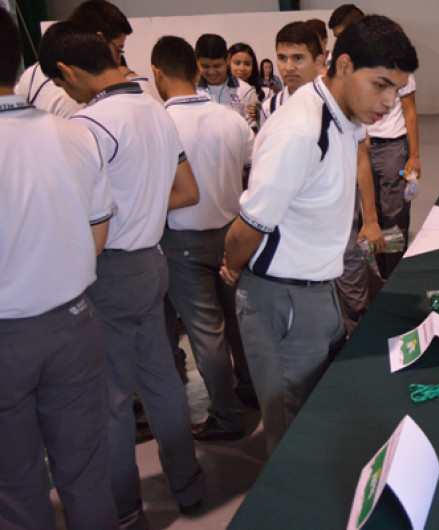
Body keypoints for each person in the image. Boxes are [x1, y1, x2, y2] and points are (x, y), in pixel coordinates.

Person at [220, 15, 418, 454]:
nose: (390, 102)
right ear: (343, 66)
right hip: (283, 296)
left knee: (316, 412)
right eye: (381, 85)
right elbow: (247, 228)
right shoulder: (299, 130)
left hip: (319, 286)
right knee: (292, 430)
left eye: (397, 90)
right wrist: (232, 268)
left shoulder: (344, 113)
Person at [39, 21, 204, 527]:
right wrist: (142, 210)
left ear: (67, 71)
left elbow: (79, 213)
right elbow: (185, 189)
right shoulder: (155, 109)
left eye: (59, 83)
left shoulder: (90, 126)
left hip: (109, 270)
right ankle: (189, 487)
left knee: (109, 398)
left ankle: (126, 509)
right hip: (152, 260)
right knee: (161, 379)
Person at [0, 10, 117, 529]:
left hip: (7, 338)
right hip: (73, 323)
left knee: (14, 486)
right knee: (86, 472)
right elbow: (98, 234)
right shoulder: (75, 135)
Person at [151, 35, 255, 442]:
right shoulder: (231, 119)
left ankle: (226, 417)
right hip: (232, 234)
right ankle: (252, 390)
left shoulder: (158, 124)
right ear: (196, 69)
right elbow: (250, 174)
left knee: (206, 332)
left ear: (157, 72)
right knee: (238, 320)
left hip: (183, 241)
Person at [259, 20, 385, 338]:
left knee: (353, 292)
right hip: (294, 226)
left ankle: (357, 350)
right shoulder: (271, 106)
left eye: (298, 58)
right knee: (308, 304)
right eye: (282, 58)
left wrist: (370, 219)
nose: (288, 67)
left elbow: (361, 161)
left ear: (319, 61)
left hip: (338, 217)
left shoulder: (342, 101)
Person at [14, 0, 130, 118]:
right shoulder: (79, 97)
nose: (118, 61)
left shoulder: (32, 73)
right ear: (99, 41)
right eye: (118, 49)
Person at [366, 63, 420, 280]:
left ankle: (395, 276)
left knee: (394, 215)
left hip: (393, 147)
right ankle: (383, 275)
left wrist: (414, 156)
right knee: (373, 216)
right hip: (363, 147)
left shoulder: (401, 67)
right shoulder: (358, 64)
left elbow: (410, 110)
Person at [195, 33, 258, 129]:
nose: (212, 72)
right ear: (197, 62)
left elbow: (254, 130)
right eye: (205, 66)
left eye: (217, 66)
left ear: (227, 60)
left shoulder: (245, 92)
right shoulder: (191, 90)